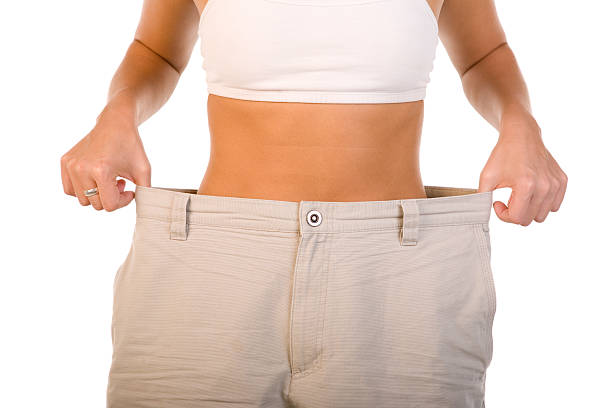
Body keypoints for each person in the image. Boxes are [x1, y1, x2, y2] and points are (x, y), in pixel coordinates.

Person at [60, 0, 567, 406]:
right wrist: (116, 115)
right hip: (213, 267)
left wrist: (521, 123)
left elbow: (485, 53)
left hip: (398, 278)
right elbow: (157, 50)